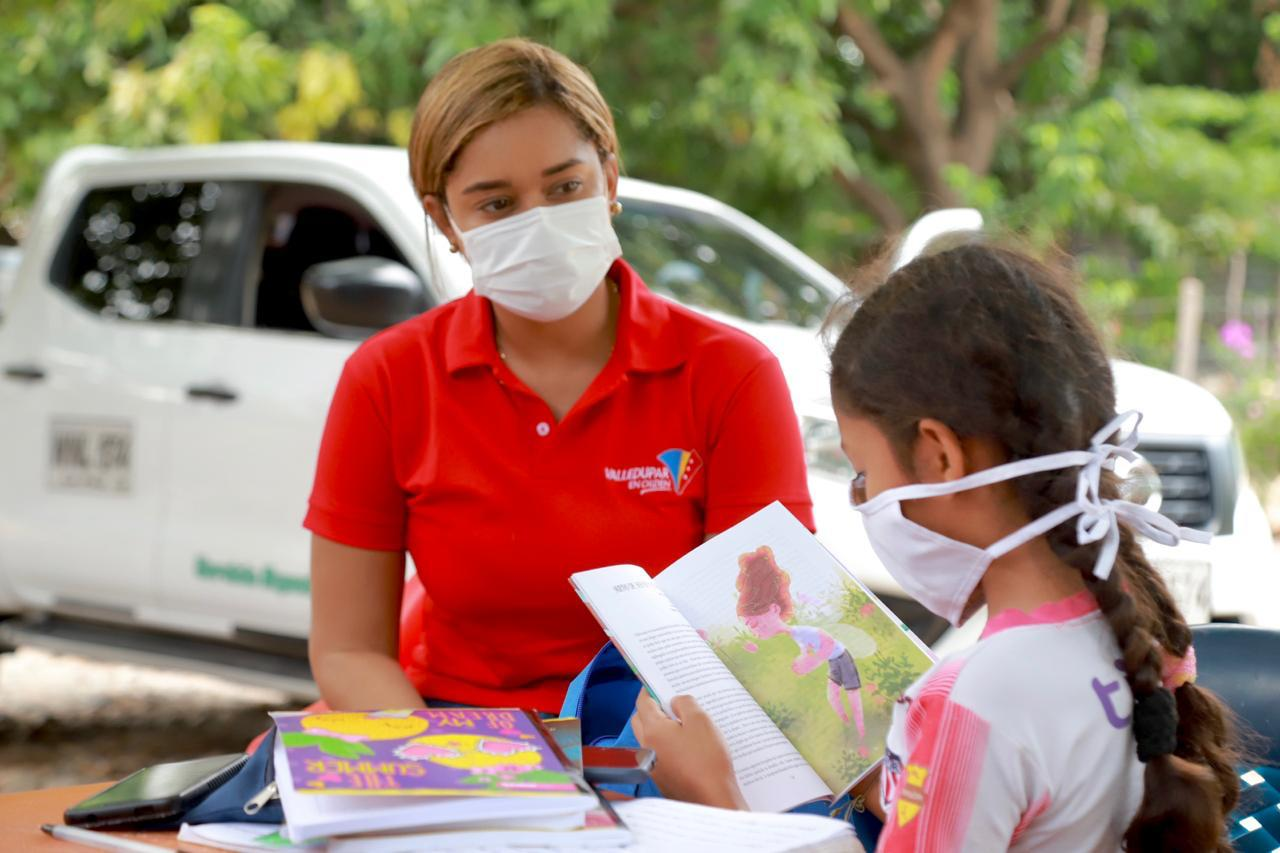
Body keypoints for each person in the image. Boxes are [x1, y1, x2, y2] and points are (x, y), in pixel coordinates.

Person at [632, 242, 1239, 851]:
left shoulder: (970, 702)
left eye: (864, 472)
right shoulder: (1123, 625)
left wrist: (719, 801)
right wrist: (893, 776)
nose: (859, 499)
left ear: (940, 456)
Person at [305, 38, 814, 715]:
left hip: (669, 753)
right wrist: (444, 767)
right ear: (444, 220)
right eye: (496, 204)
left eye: (564, 187)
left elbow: (767, 638)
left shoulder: (729, 375)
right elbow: (348, 651)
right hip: (456, 745)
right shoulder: (389, 377)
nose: (538, 222)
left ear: (608, 178)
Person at [736, 546, 867, 741]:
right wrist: (805, 658)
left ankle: (861, 729)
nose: (753, 630)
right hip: (833, 661)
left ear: (773, 609)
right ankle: (848, 726)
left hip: (841, 658)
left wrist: (812, 662)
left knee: (852, 696)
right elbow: (809, 648)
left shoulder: (801, 631)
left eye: (754, 623)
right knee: (833, 696)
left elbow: (827, 641)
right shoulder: (794, 635)